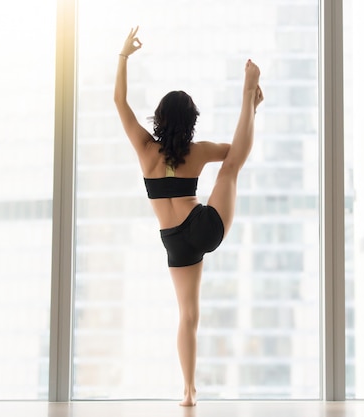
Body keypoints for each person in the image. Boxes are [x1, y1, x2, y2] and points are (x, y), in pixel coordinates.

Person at [114, 26, 263, 407]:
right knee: (231, 169)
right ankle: (249, 93)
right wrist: (250, 111)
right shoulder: (196, 151)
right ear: (191, 121)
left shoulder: (145, 148)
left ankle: (188, 391)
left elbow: (119, 101)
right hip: (204, 227)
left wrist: (123, 56)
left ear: (160, 119)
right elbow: (235, 151)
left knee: (188, 316)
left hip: (174, 242)